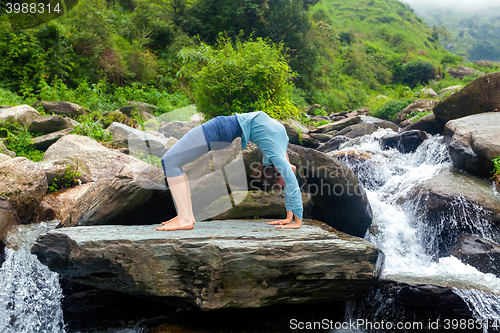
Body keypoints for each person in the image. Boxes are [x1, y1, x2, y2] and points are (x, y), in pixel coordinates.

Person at [157, 111, 303, 231]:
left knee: (170, 161)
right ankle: (186, 215)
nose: (290, 174)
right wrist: (294, 220)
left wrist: (292, 219)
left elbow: (290, 183)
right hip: (221, 129)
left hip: (222, 129)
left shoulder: (278, 149)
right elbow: (291, 184)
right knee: (173, 162)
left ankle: (185, 218)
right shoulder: (278, 154)